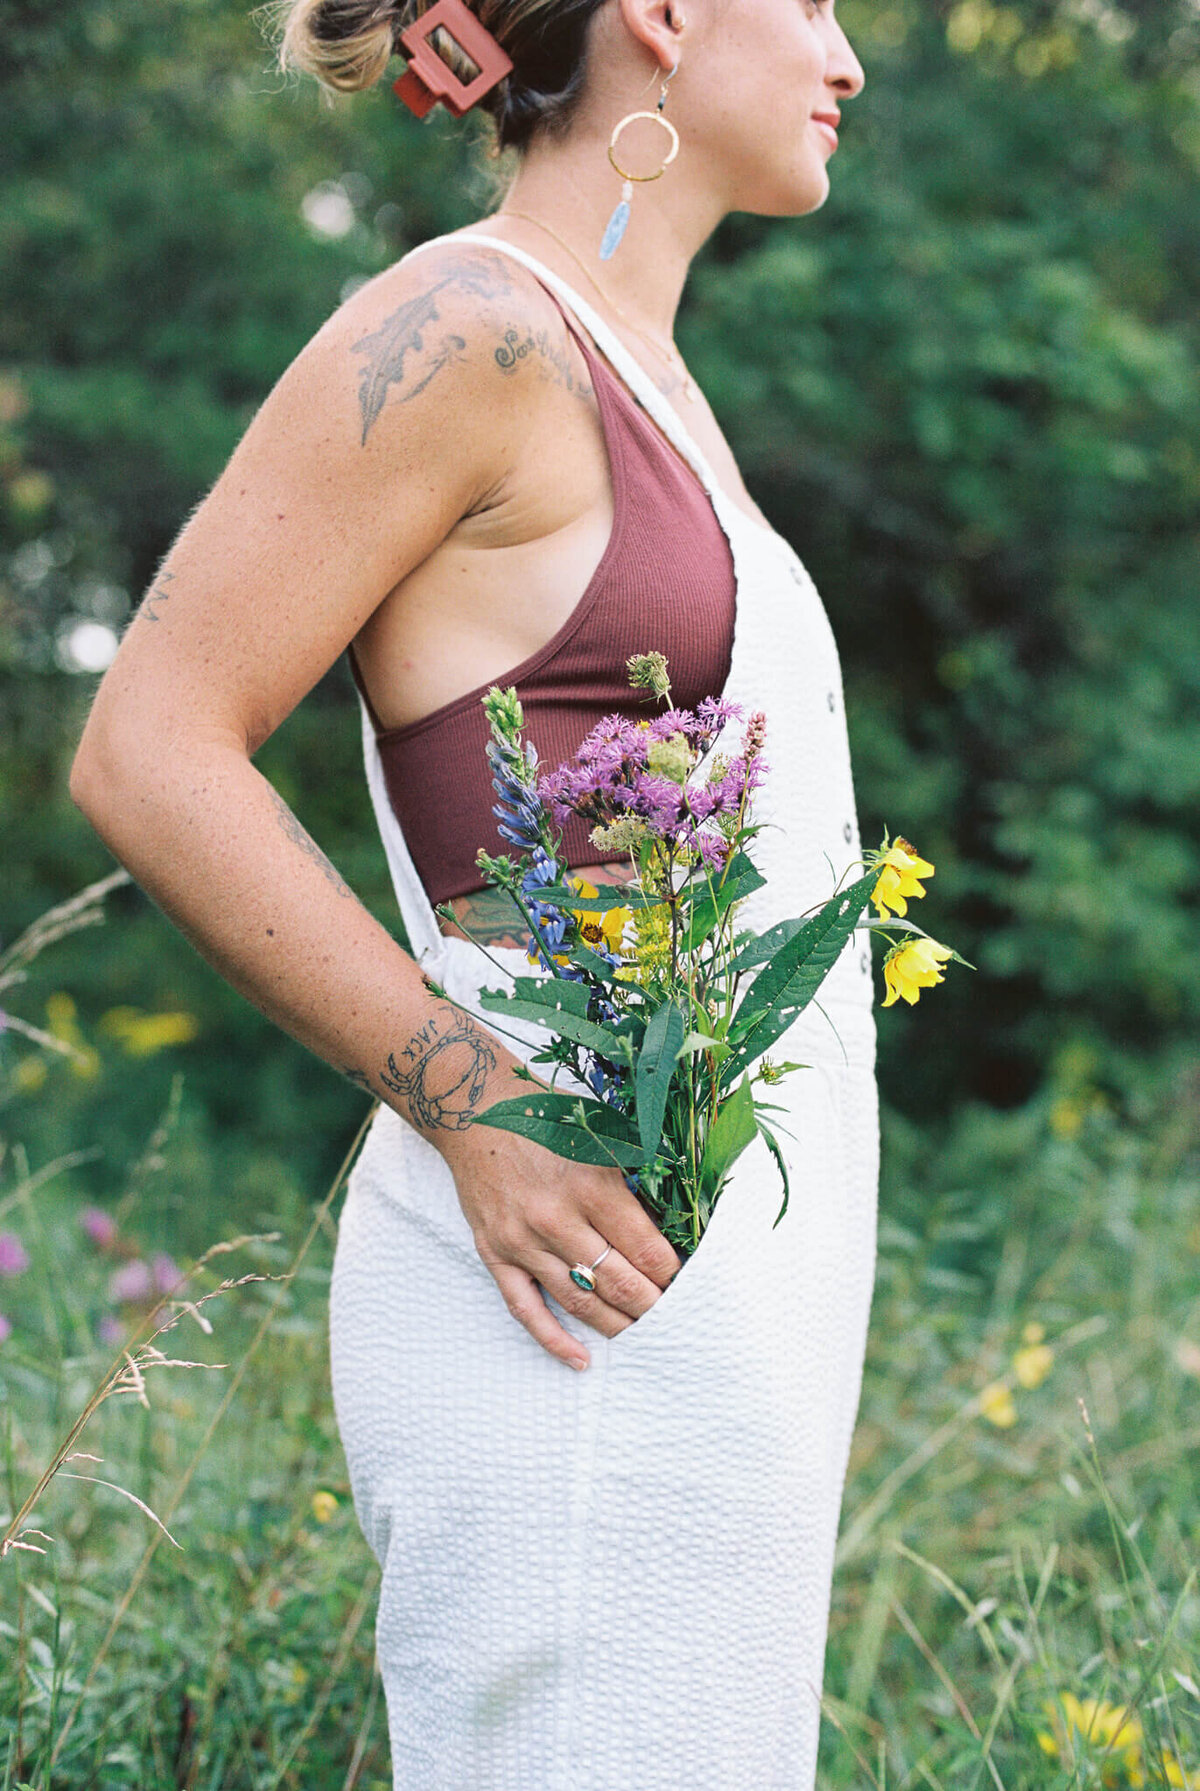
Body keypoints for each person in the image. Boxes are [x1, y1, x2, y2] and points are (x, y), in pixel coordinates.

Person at [70, 0, 873, 1783]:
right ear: (659, 16)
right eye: (811, 0)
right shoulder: (474, 328)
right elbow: (151, 742)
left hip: (709, 1313)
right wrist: (479, 1106)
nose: (848, 57)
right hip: (553, 1296)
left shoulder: (649, 374)